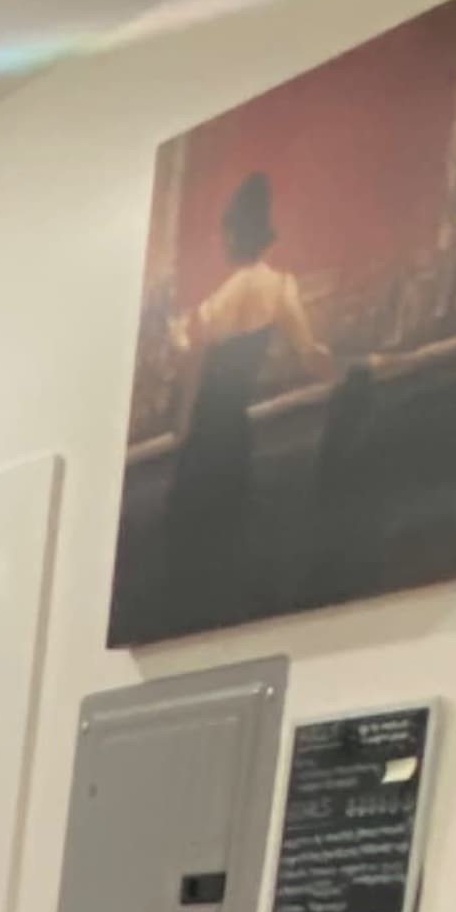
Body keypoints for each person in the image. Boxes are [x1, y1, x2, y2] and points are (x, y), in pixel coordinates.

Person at [154, 166, 329, 631]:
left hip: (209, 424)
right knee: (227, 527)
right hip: (235, 426)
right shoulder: (281, 287)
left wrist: (175, 341)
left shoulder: (225, 296)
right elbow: (310, 353)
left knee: (190, 532)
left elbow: (193, 360)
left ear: (234, 233)